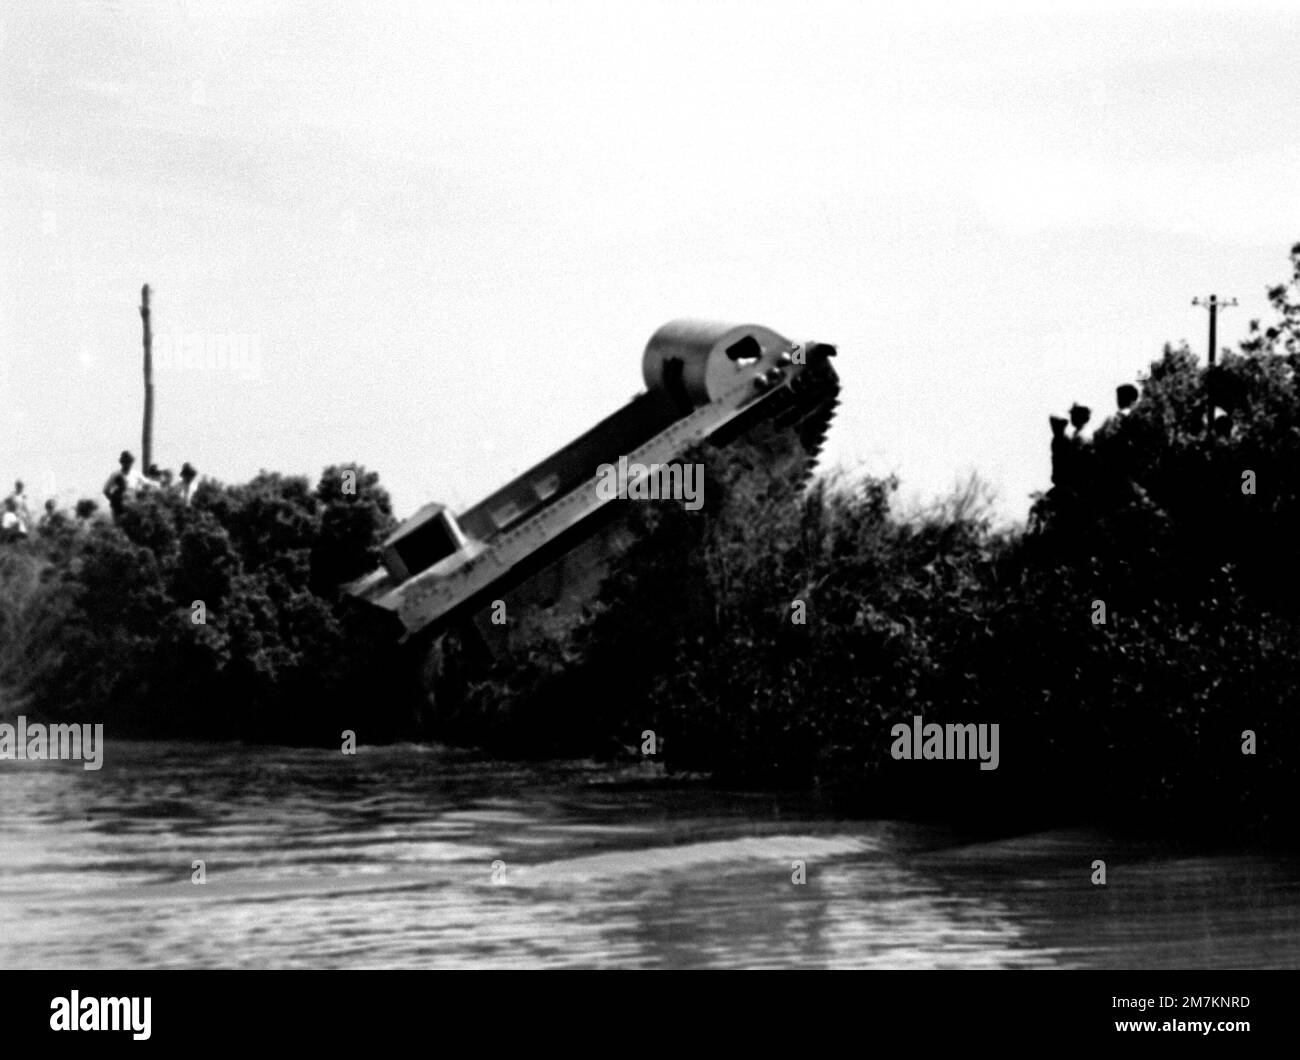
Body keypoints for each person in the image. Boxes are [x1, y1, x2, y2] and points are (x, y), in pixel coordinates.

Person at [104, 450, 136, 520]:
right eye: (126, 461)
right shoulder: (116, 474)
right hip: (119, 507)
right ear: (122, 462)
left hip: (132, 506)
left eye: (130, 461)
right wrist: (115, 501)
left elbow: (147, 484)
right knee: (120, 527)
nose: (128, 464)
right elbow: (106, 490)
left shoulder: (135, 474)